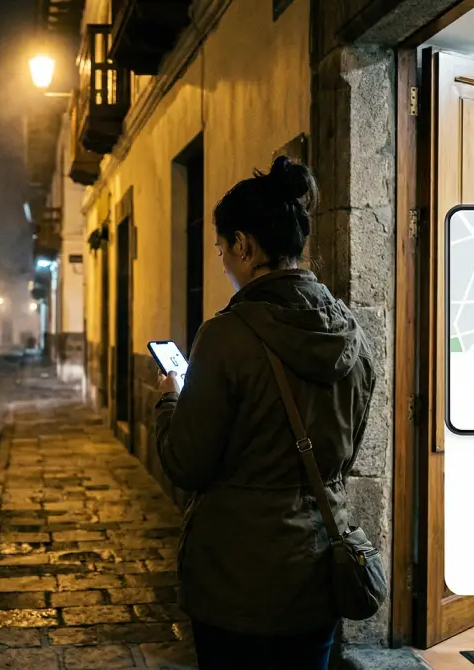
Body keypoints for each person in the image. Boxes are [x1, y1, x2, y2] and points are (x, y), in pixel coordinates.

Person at [154, 156, 377, 669]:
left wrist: (170, 398)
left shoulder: (225, 337)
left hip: (236, 580)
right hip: (318, 568)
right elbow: (346, 450)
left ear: (245, 245)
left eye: (222, 249)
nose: (224, 262)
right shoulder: (351, 333)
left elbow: (186, 463)